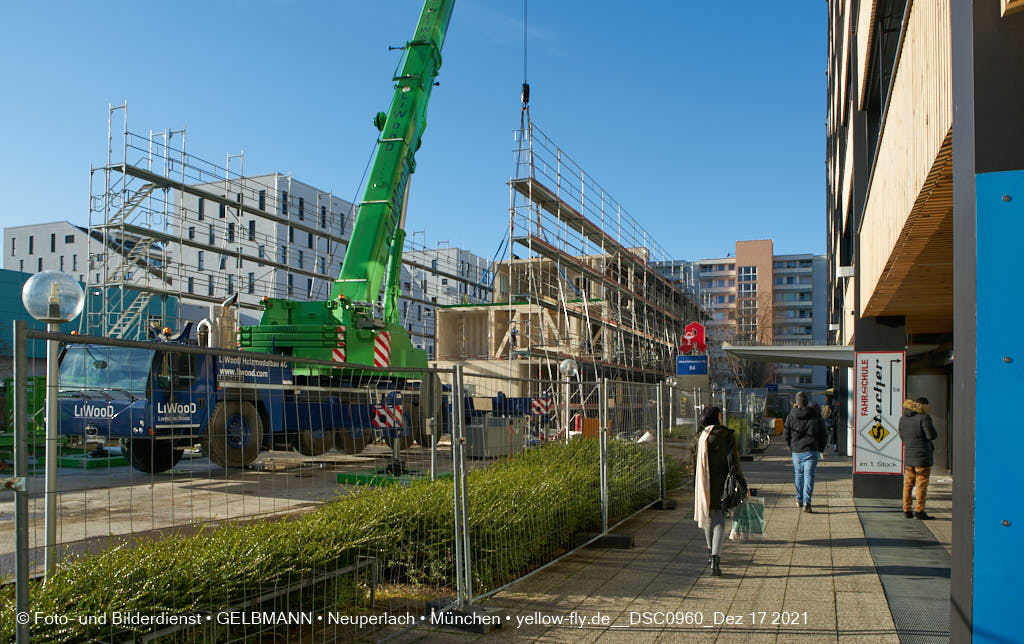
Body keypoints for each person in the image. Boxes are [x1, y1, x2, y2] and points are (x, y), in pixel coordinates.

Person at [691, 405, 743, 577]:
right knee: (720, 519)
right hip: (724, 483)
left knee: (708, 517)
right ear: (718, 417)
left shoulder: (699, 437)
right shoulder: (727, 436)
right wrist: (742, 483)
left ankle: (709, 552)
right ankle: (715, 558)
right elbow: (734, 462)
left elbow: (694, 463)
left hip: (703, 483)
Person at [783, 392, 827, 513]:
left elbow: (786, 434)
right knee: (809, 476)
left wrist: (791, 447)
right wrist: (821, 448)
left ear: (797, 402)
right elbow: (823, 433)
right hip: (811, 450)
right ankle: (807, 501)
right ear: (807, 402)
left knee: (799, 475)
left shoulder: (790, 416)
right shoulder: (816, 415)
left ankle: (799, 499)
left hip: (797, 451)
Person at [898, 397, 938, 520]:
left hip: (909, 456)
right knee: (921, 484)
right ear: (924, 405)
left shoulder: (903, 418)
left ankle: (906, 510)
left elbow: (901, 435)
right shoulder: (924, 418)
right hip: (922, 457)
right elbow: (931, 435)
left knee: (908, 484)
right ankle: (919, 511)